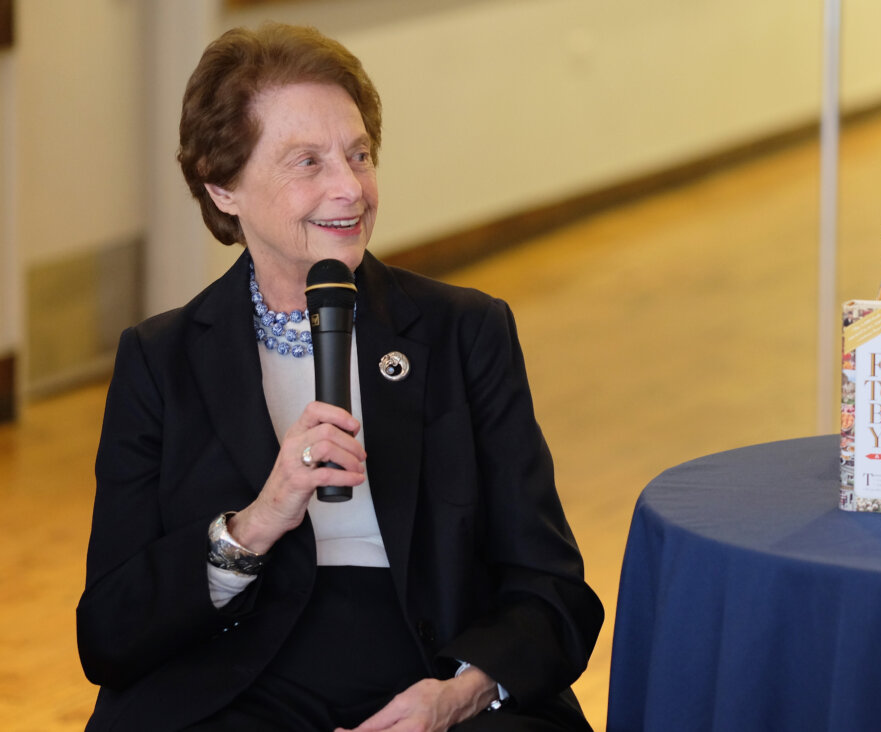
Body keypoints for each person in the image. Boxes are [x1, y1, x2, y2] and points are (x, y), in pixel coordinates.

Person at [76, 23, 602, 731]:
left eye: (359, 155)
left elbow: (552, 588)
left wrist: (456, 694)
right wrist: (257, 520)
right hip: (237, 680)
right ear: (223, 187)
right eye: (308, 162)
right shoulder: (160, 359)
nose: (350, 188)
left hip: (432, 664)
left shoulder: (464, 332)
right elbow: (109, 632)